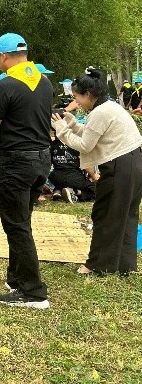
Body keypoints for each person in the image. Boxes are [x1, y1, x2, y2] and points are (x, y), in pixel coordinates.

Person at [0, 33, 52, 310]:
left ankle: (33, 292)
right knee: (22, 221)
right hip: (41, 160)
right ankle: (16, 278)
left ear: (3, 56)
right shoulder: (45, 82)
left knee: (17, 226)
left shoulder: (5, 86)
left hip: (15, 163)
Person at [52, 67, 142, 275]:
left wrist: (62, 130)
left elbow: (85, 145)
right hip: (134, 162)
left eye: (77, 97)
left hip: (120, 166)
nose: (76, 102)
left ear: (88, 94)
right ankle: (125, 265)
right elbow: (93, 134)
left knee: (106, 214)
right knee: (126, 214)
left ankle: (98, 265)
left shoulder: (99, 113)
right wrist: (73, 124)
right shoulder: (109, 107)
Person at [49, 134, 97, 203]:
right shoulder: (77, 144)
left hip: (55, 177)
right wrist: (94, 175)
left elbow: (48, 163)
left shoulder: (53, 144)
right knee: (96, 190)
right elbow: (86, 164)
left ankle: (58, 191)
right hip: (74, 176)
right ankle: (74, 192)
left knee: (63, 182)